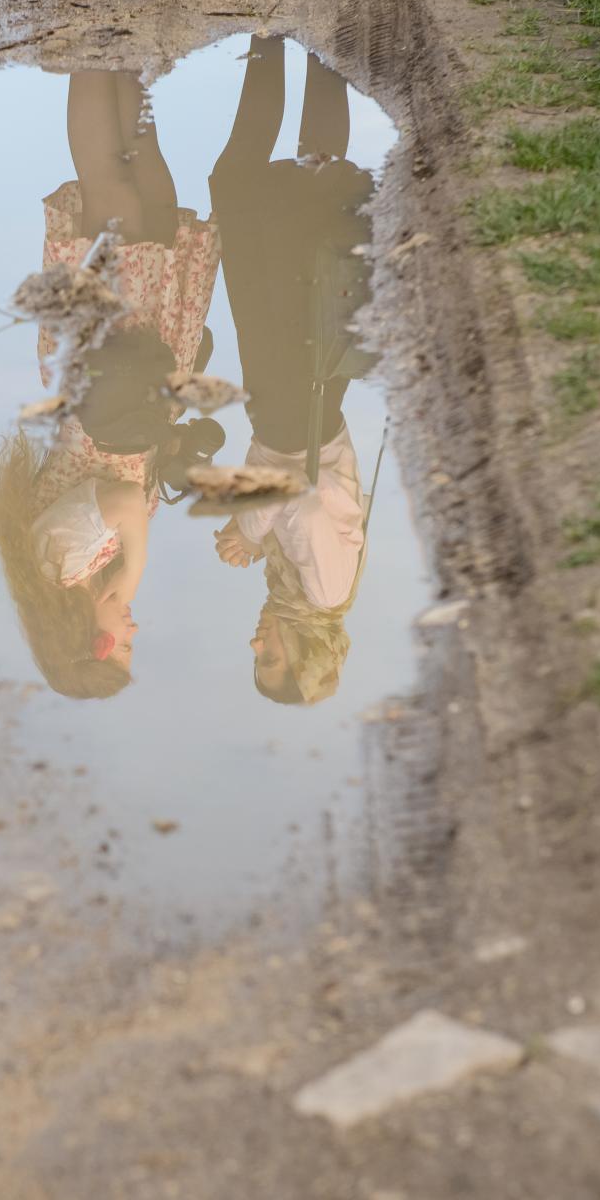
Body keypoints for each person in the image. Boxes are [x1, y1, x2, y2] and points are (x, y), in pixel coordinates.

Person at [0, 71, 222, 699]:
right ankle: (126, 58)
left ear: (90, 644)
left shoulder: (58, 566)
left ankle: (92, 51)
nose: (134, 629)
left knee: (112, 192)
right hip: (129, 370)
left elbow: (118, 497)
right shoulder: (86, 570)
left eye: (124, 646)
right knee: (152, 194)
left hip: (102, 356)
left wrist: (136, 569)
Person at [209, 37, 377, 705]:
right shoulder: (327, 592)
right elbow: (302, 499)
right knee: (268, 192)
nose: (256, 645)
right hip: (295, 399)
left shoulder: (293, 589)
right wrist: (249, 530)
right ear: (302, 654)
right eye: (269, 660)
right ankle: (302, 37)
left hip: (287, 399)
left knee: (283, 192)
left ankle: (280, 35)